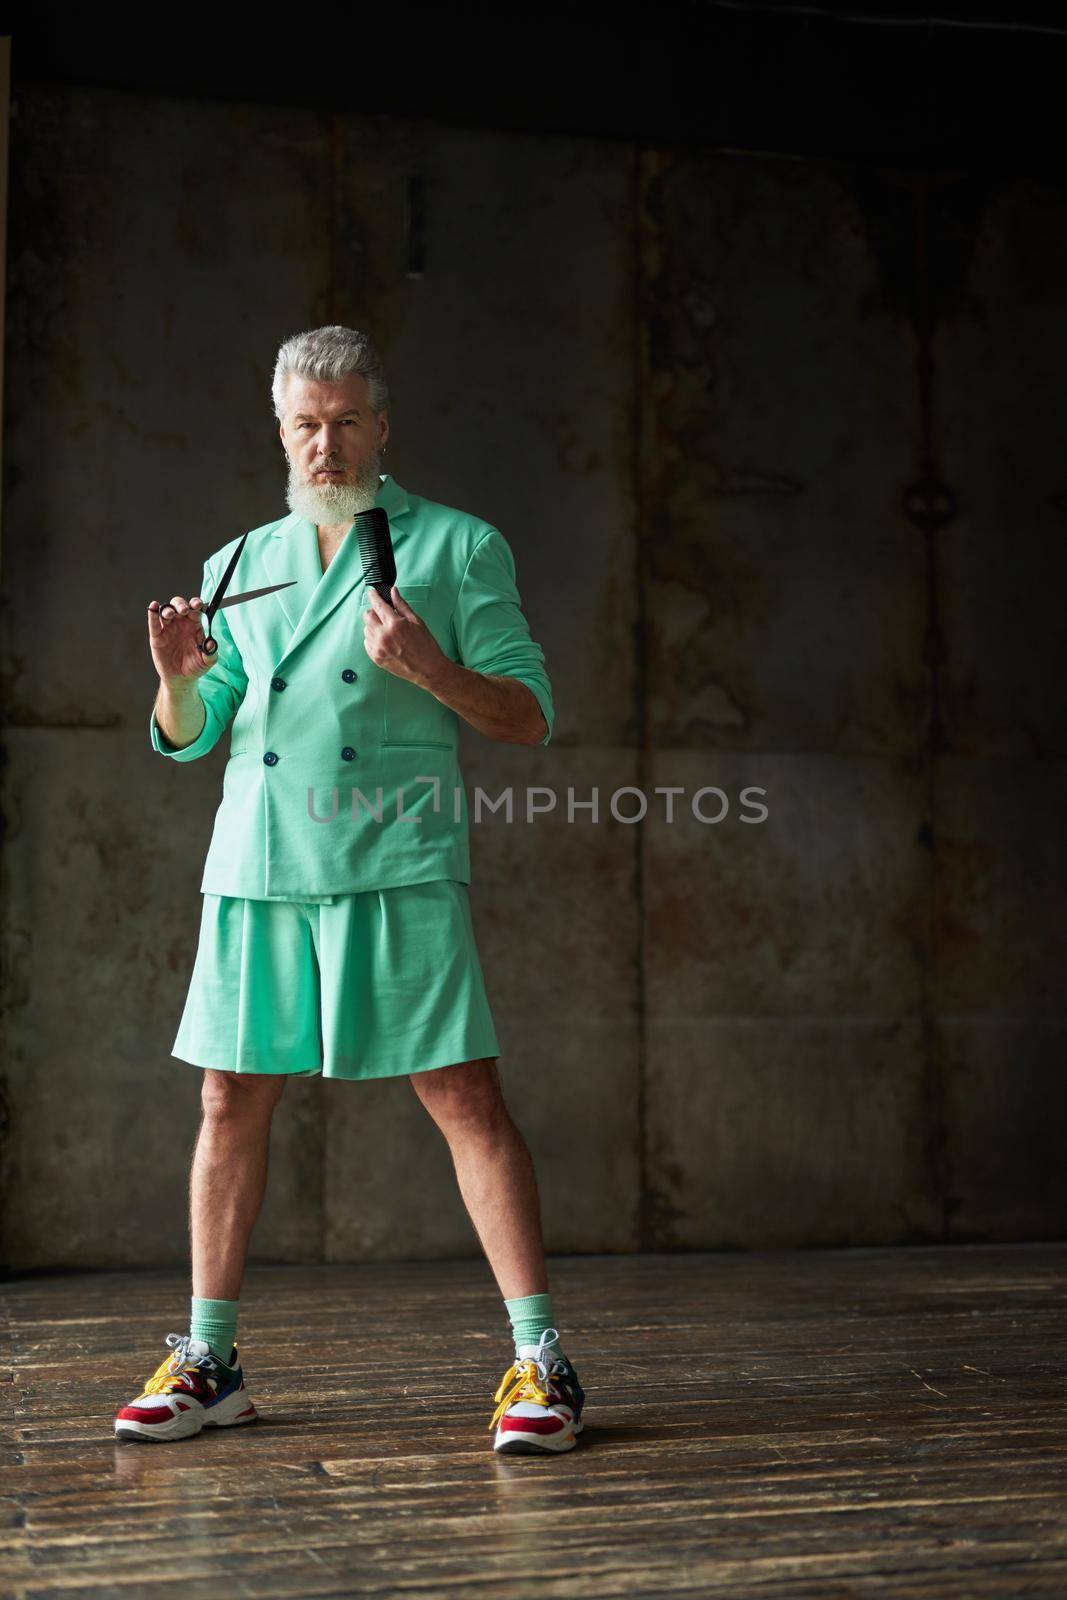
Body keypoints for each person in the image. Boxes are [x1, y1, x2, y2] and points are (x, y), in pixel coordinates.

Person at [113, 325, 584, 1455]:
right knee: (229, 1102)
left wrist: (429, 669)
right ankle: (209, 1358)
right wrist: (177, 681)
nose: (323, 444)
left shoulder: (458, 546)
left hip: (392, 855)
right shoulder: (235, 562)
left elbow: (528, 715)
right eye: (302, 425)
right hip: (257, 860)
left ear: (381, 424)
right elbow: (192, 736)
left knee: (464, 1102)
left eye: (344, 421)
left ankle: (543, 1362)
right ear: (279, 432)